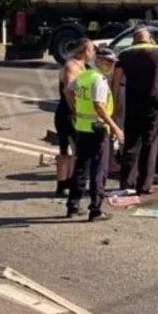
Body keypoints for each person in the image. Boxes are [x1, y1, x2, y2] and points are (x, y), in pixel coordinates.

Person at [115, 28, 158, 195]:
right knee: (150, 142)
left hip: (133, 101)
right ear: (149, 38)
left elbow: (116, 79)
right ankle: (144, 185)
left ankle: (127, 182)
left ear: (134, 40)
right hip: (154, 101)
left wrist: (115, 102)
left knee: (131, 142)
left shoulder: (124, 53)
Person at [66, 43, 124, 220]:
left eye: (113, 62)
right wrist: (116, 128)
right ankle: (96, 210)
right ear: (98, 60)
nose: (111, 65)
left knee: (81, 167)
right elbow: (99, 106)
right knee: (99, 170)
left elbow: (68, 90)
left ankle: (73, 205)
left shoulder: (84, 76)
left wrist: (76, 111)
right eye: (108, 61)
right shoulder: (98, 79)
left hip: (82, 127)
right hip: (98, 130)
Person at [53, 37, 95, 197]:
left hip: (77, 114)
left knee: (76, 150)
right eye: (92, 49)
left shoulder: (85, 67)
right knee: (70, 150)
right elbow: (68, 90)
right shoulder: (71, 66)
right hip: (68, 113)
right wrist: (76, 111)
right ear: (84, 51)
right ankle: (64, 185)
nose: (93, 53)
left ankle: (71, 183)